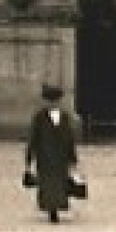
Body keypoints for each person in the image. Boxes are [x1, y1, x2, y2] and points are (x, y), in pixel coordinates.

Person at [24, 83, 82, 224]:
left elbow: (69, 138)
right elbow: (33, 137)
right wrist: (29, 155)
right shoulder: (39, 117)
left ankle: (57, 207)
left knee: (60, 183)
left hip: (60, 155)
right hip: (44, 155)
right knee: (47, 184)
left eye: (55, 100)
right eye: (50, 100)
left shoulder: (65, 117)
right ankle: (51, 210)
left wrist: (72, 156)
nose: (53, 103)